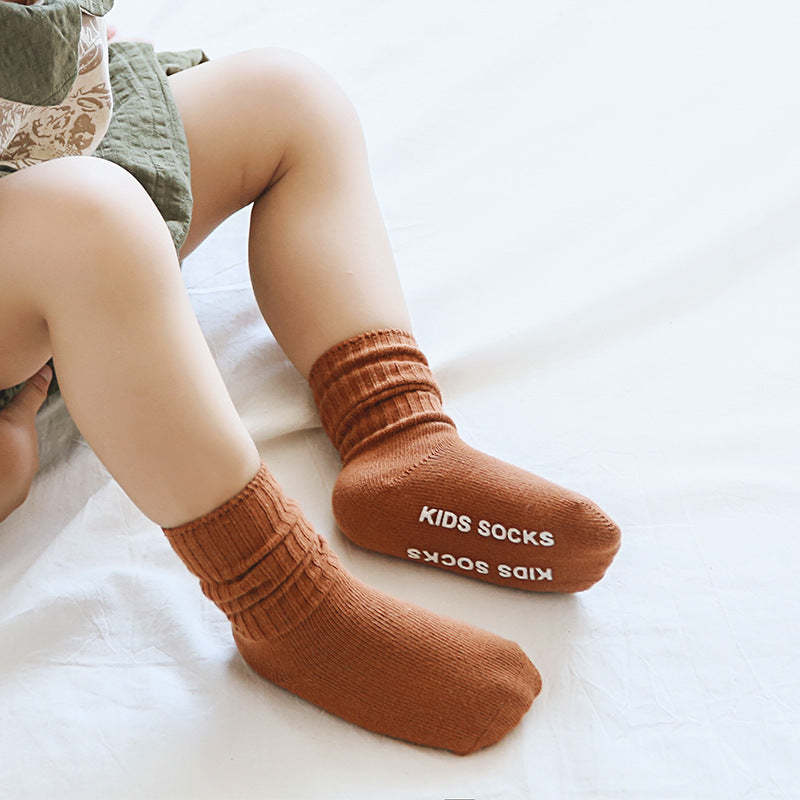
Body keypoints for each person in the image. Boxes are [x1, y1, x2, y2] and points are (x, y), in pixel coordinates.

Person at [0, 0, 621, 756]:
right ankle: (281, 599)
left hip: (44, 151)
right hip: (52, 235)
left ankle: (395, 430)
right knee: (93, 222)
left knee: (285, 95)